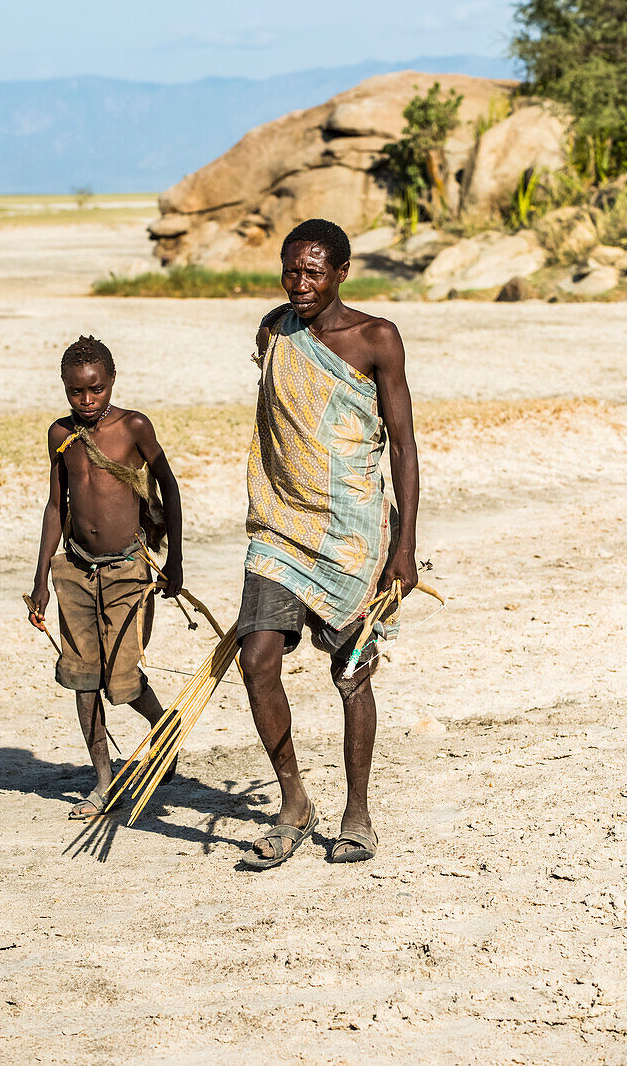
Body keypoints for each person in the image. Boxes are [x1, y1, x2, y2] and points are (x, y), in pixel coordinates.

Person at [238, 219, 419, 868]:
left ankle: (357, 815)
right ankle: (294, 803)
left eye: (313, 272)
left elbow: (402, 443)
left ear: (342, 273)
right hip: (280, 528)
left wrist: (404, 547)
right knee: (256, 659)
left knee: (352, 677)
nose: (300, 284)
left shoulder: (377, 339)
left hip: (351, 534)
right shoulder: (274, 332)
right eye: (291, 271)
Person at [27, 335, 183, 819]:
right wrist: (39, 583)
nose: (87, 401)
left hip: (127, 570)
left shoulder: (133, 426)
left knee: (122, 680)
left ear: (111, 381)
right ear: (65, 389)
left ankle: (163, 727)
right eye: (76, 393)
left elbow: (170, 488)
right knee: (83, 677)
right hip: (73, 569)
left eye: (95, 390)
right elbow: (57, 506)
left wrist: (175, 559)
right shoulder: (60, 435)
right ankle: (102, 780)